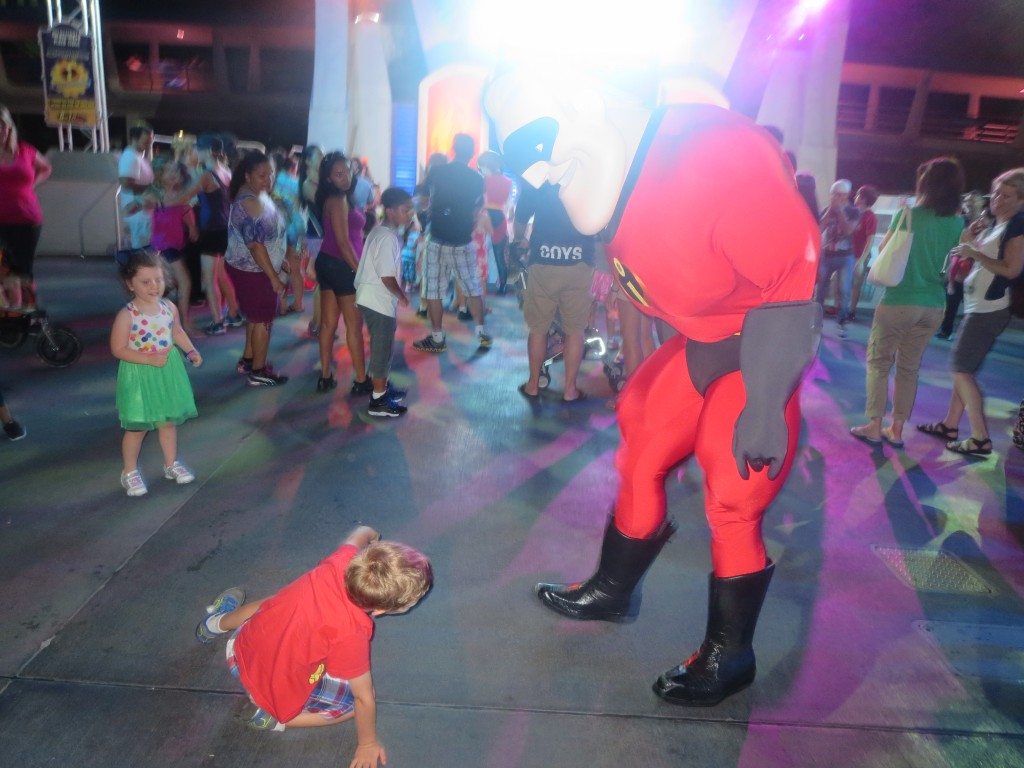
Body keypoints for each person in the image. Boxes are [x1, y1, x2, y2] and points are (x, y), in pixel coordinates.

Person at [487, 70, 821, 707]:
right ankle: (614, 590)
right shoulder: (613, 183)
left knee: (733, 490)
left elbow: (790, 272)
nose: (531, 176)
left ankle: (730, 655)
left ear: (583, 100)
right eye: (514, 160)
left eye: (531, 148)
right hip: (701, 344)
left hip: (755, 350)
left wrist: (766, 399)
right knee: (639, 443)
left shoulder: (711, 153)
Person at [194, 525, 432, 768]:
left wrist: (372, 536)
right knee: (353, 706)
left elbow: (360, 533)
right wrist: (367, 744)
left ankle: (213, 624)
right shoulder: (352, 633)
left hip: (239, 649)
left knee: (274, 602)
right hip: (270, 695)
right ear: (381, 611)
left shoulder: (340, 561)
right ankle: (273, 719)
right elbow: (363, 698)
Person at [849, 157, 965, 447]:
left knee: (878, 362)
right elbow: (948, 261)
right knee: (909, 368)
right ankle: (897, 429)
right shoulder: (958, 221)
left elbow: (886, 249)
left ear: (925, 184)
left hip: (900, 299)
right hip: (934, 304)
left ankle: (875, 425)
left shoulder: (909, 215)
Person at [916, 168, 1024, 456]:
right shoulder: (998, 224)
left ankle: (979, 437)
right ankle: (951, 425)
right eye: (997, 192)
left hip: (990, 309)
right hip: (978, 306)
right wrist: (973, 239)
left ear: (1021, 199)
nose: (998, 199)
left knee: (960, 369)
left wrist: (975, 253)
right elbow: (972, 258)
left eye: (1007, 194)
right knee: (964, 369)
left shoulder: (1017, 226)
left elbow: (1011, 269)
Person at [111, 250, 202, 497]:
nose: (154, 286)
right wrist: (147, 358)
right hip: (140, 374)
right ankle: (129, 471)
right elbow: (118, 348)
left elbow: (178, 333)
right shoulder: (127, 315)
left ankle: (171, 464)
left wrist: (191, 351)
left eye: (159, 280)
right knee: (137, 427)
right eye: (146, 282)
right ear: (130, 284)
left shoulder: (169, 308)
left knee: (167, 422)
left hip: (166, 371)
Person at [514, 181, 595, 402]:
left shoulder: (540, 179)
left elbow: (520, 219)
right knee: (575, 330)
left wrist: (518, 239)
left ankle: (533, 385)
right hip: (580, 261)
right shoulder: (588, 178)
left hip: (543, 262)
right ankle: (570, 390)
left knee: (538, 328)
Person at [413, 134, 492, 353]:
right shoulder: (477, 179)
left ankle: (437, 338)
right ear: (472, 153)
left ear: (453, 148)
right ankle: (481, 332)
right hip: (463, 240)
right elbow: (477, 211)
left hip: (437, 238)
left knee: (434, 289)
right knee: (473, 287)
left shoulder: (437, 172)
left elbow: (424, 198)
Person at [224, 152, 289, 387]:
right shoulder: (249, 202)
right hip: (254, 271)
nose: (268, 180)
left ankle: (249, 360)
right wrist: (274, 277)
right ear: (247, 175)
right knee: (263, 318)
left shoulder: (254, 195)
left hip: (251, 268)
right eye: (262, 175)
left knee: (255, 317)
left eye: (271, 175)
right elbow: (254, 245)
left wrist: (279, 258)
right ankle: (259, 371)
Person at [313, 152, 371, 395]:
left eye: (347, 170)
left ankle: (325, 376)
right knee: (353, 326)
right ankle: (360, 379)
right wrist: (360, 273)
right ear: (328, 178)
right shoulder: (338, 200)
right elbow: (344, 242)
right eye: (338, 174)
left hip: (328, 263)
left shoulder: (337, 198)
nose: (345, 177)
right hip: (342, 265)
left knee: (328, 324)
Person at [355, 187, 414, 417]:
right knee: (382, 349)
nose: (410, 214)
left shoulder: (380, 231)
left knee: (383, 346)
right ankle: (378, 400)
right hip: (378, 300)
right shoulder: (388, 237)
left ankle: (382, 388)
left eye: (411, 210)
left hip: (371, 297)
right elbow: (386, 275)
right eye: (405, 210)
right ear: (390, 211)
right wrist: (401, 294)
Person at [0, 104, 52, 308]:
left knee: (23, 269)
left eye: (3, 125)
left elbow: (46, 167)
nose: (0, 130)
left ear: (9, 127)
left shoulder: (25, 150)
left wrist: (31, 184)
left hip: (26, 219)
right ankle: (12, 313)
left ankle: (26, 312)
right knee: (5, 269)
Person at [193, 135, 243, 336]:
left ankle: (217, 321)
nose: (195, 153)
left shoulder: (206, 174)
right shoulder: (226, 171)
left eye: (197, 149)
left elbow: (188, 195)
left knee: (210, 278)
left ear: (206, 151)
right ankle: (233, 313)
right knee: (221, 275)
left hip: (211, 229)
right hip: (225, 228)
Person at [149, 157, 199, 334]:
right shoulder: (158, 196)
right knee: (184, 283)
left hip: (172, 246)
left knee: (171, 285)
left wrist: (192, 227)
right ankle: (184, 323)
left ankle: (164, 322)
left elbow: (186, 212)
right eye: (169, 171)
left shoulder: (179, 198)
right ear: (162, 175)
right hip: (164, 246)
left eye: (176, 173)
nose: (173, 175)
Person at [816, 179, 861, 338]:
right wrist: (830, 212)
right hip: (826, 256)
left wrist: (840, 211)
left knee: (844, 291)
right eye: (835, 194)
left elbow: (849, 231)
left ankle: (842, 323)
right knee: (820, 290)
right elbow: (818, 231)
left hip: (845, 257)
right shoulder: (825, 211)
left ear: (848, 195)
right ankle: (816, 323)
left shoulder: (854, 211)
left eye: (842, 195)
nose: (839, 198)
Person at [478, 150, 513, 293]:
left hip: (484, 217)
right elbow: (509, 205)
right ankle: (503, 286)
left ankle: (480, 285)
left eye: (481, 166)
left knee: (479, 254)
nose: (480, 169)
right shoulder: (508, 182)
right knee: (499, 257)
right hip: (500, 218)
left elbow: (479, 200)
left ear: (487, 165)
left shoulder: (483, 181)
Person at [118, 123, 155, 251]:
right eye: (145, 142)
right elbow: (126, 183)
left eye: (150, 142)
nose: (148, 146)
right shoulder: (130, 157)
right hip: (138, 212)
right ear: (134, 139)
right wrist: (150, 188)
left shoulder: (138, 156)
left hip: (142, 211)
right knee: (142, 252)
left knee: (145, 250)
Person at [847, 184, 880, 320]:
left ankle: (852, 311)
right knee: (842, 283)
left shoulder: (870, 217)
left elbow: (870, 241)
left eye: (859, 195)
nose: (855, 197)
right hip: (847, 254)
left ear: (865, 198)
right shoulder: (852, 212)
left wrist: (861, 260)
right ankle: (841, 308)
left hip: (859, 255)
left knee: (856, 283)